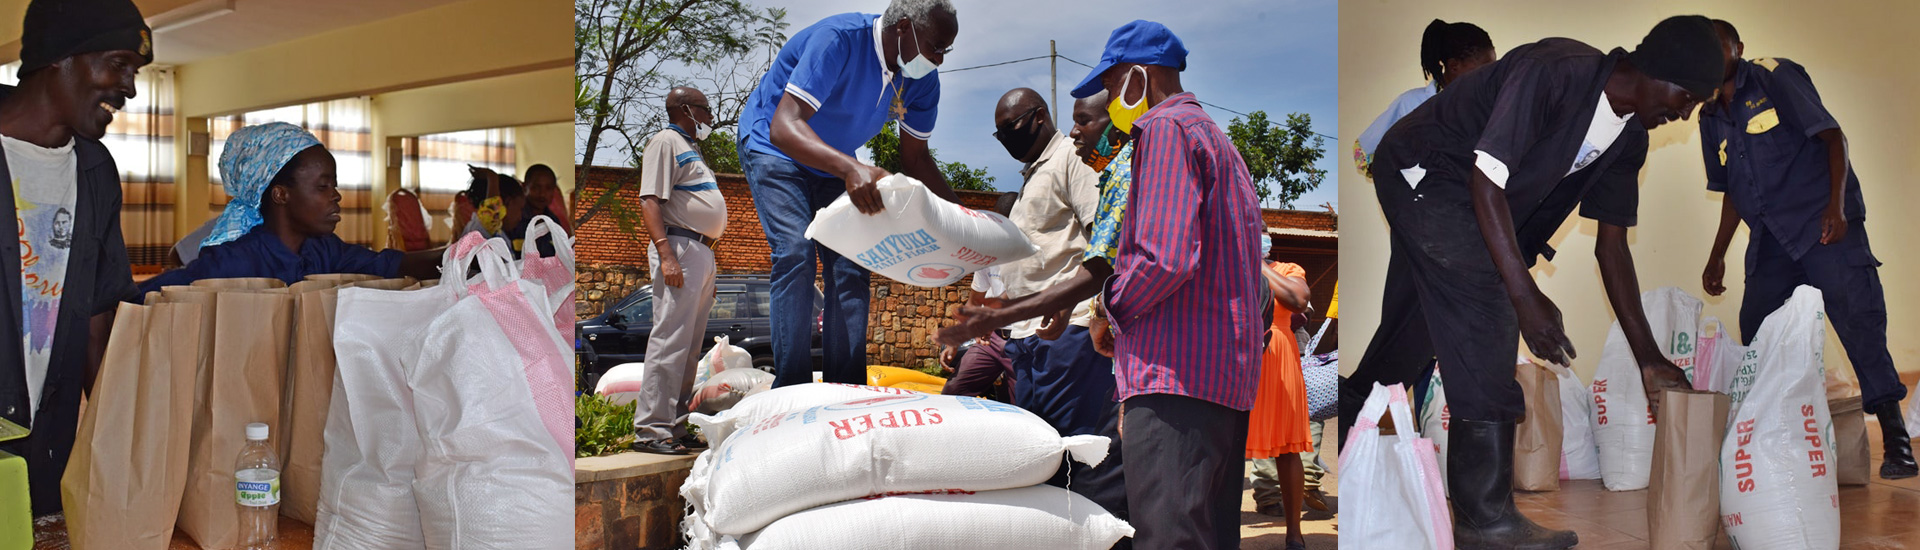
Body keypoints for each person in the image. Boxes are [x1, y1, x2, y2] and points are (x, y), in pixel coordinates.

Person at [1345, 16, 1724, 549]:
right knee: (1489, 311)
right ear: (1658, 69)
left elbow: (1612, 248)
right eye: (1687, 98)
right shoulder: (1555, 71)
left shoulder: (1629, 138)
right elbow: (1485, 179)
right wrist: (1524, 297)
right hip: (1424, 171)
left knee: (1411, 335)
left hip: (1469, 203)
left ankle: (1349, 426)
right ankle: (1483, 520)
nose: (1684, 114)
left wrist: (1649, 360)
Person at [1077, 20, 1265, 550]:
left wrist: (1109, 309)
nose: (1109, 95)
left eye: (1112, 82)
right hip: (1221, 381)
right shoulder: (1218, 141)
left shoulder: (1164, 130)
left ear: (1139, 75)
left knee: (1168, 537)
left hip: (1174, 379)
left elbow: (1163, 258)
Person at [1698, 19, 1914, 478]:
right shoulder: (1708, 116)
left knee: (1858, 323)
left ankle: (1896, 441)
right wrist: (1717, 254)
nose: (1711, 56)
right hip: (1771, 237)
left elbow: (1833, 137)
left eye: (1719, 45)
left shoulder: (1774, 76)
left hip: (1821, 223)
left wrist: (1837, 206)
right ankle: (1771, 438)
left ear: (1738, 47)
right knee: (1756, 329)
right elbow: (1732, 189)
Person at [736, 0, 962, 388]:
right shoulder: (837, 41)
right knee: (795, 252)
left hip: (832, 161)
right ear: (903, 28)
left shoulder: (921, 80)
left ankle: (846, 387)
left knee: (852, 262)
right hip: (774, 147)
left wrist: (962, 218)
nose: (939, 59)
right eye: (936, 46)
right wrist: (850, 169)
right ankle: (791, 386)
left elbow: (916, 158)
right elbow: (784, 127)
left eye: (946, 50)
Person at [0, 0, 149, 514]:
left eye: (135, 72)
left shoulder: (96, 170)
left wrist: (115, 445)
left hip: (47, 451)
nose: (129, 88)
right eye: (119, 64)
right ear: (59, 56)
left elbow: (98, 315)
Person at [984, 87, 1129, 534]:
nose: (1006, 138)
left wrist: (1083, 309)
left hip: (1070, 333)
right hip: (1029, 339)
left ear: (1039, 116)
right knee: (1046, 453)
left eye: (1010, 127)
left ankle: (1106, 538)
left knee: (1085, 453)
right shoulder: (1033, 176)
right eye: (999, 134)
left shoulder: (1070, 159)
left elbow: (1105, 242)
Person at [139, 123, 443, 292]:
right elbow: (145, 298)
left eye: (334, 185)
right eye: (323, 186)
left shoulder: (325, 250)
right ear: (281, 194)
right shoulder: (234, 262)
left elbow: (391, 265)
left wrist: (460, 253)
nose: (336, 196)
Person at [630, 86, 728, 456]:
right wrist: (666, 254)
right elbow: (650, 200)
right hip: (679, 248)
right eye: (705, 109)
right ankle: (651, 430)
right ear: (686, 109)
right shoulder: (665, 141)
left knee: (688, 347)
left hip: (700, 251)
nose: (710, 116)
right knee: (670, 341)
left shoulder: (692, 149)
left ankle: (675, 426)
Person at [1352, 19, 1495, 180]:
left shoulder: (1489, 107)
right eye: (1483, 71)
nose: (1488, 77)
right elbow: (1362, 155)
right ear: (1454, 66)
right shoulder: (1411, 103)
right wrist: (1401, 179)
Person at [1247, 234, 1314, 550]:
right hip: (1241, 356)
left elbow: (1297, 301)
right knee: (1228, 445)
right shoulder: (1229, 265)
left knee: (1288, 449)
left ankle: (1294, 534)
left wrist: (1258, 263)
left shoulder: (1288, 269)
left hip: (1279, 360)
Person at [939, 192, 1019, 400]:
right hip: (991, 341)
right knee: (953, 391)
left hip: (1021, 339)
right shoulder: (989, 254)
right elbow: (974, 301)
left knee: (1020, 405)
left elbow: (1016, 292)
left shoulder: (1029, 252)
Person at [522, 163, 570, 233]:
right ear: (524, 187)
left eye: (548, 188)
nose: (542, 194)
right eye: (536, 187)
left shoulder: (553, 221)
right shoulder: (515, 218)